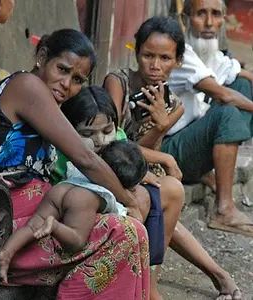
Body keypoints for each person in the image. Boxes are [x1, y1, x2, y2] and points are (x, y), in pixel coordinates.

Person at [0, 29, 150, 299]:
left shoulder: (47, 100)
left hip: (26, 211)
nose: (66, 84)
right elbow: (85, 158)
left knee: (132, 232)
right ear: (42, 57)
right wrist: (128, 202)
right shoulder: (28, 86)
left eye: (77, 80)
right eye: (62, 69)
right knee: (126, 232)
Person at [104, 16, 241, 300]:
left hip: (141, 174)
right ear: (136, 53)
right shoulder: (117, 83)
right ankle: (158, 286)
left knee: (166, 209)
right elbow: (113, 147)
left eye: (165, 58)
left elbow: (144, 150)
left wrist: (161, 126)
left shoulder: (174, 105)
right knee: (168, 203)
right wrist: (165, 156)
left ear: (178, 61)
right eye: (148, 55)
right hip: (110, 170)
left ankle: (159, 282)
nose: (155, 65)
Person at [60, 85, 183, 299]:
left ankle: (148, 287)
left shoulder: (117, 144)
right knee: (139, 200)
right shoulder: (63, 157)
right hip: (79, 226)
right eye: (87, 134)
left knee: (164, 190)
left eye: (107, 131)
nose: (100, 141)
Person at [161, 0, 253, 238]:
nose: (210, 23)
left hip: (187, 142)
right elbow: (221, 94)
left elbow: (240, 74)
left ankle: (206, 172)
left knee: (242, 86)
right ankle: (224, 209)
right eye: (201, 14)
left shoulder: (211, 54)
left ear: (223, 19)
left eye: (216, 14)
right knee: (227, 110)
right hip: (166, 151)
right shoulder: (181, 53)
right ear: (186, 18)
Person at [0, 140, 148, 283]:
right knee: (76, 241)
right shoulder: (109, 194)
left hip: (62, 189)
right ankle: (54, 225)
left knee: (32, 226)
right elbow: (121, 215)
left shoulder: (85, 168)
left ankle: (7, 252)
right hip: (82, 199)